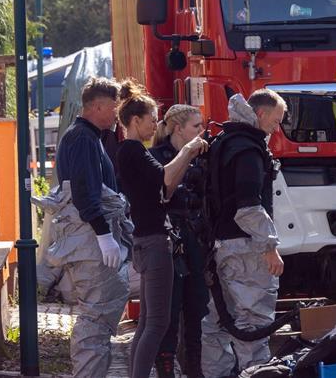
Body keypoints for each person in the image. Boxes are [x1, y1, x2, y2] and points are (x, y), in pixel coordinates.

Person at [115, 81, 208, 378]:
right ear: (135, 120)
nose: (157, 124)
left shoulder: (134, 152)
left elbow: (166, 188)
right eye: (153, 119)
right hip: (154, 242)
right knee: (157, 323)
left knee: (147, 324)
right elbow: (167, 176)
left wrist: (187, 156)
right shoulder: (133, 151)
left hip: (148, 239)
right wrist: (190, 150)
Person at [44, 76, 131, 377]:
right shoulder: (83, 138)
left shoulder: (89, 137)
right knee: (94, 317)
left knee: (98, 315)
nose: (117, 113)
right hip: (90, 239)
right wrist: (104, 234)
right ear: (97, 106)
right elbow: (84, 190)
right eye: (113, 107)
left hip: (90, 237)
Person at [201, 89, 287, 378]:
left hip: (219, 246)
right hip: (246, 249)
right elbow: (248, 207)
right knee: (253, 325)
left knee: (215, 324)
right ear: (260, 114)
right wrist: (269, 246)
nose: (276, 129)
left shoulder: (223, 141)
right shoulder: (249, 150)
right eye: (275, 122)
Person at [149, 105, 210, 378]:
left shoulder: (202, 156)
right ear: (177, 128)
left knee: (197, 308)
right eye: (196, 126)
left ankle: (194, 370)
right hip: (168, 239)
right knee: (169, 312)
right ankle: (166, 372)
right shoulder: (156, 157)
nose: (202, 131)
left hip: (195, 239)